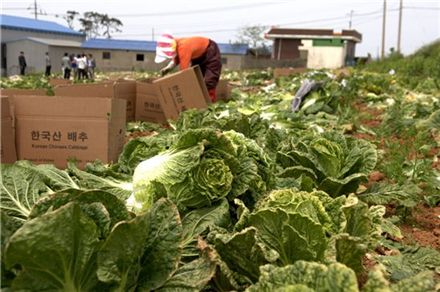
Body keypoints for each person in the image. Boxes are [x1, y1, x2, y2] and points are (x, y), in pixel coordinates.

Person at [155, 34, 222, 102]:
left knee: (210, 80)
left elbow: (184, 72)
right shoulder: (177, 44)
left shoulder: (183, 47)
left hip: (210, 49)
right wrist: (169, 67)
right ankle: (197, 100)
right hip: (198, 56)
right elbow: (177, 57)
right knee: (196, 78)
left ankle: (210, 103)